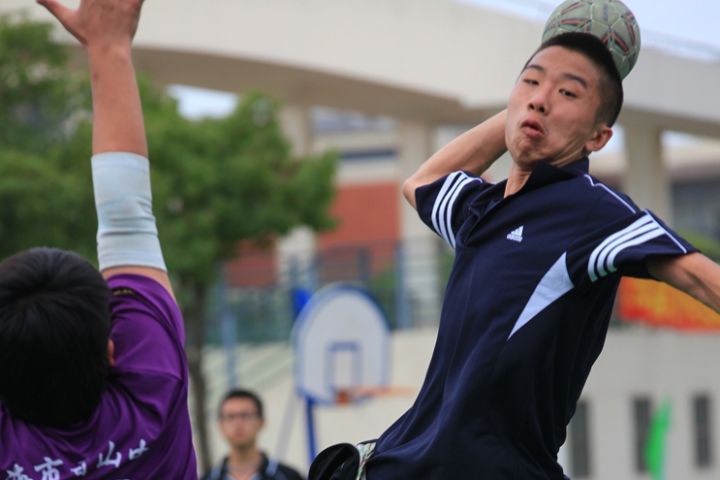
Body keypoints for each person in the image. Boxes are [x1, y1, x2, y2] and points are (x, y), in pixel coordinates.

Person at [312, 32, 720, 479]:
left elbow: (701, 278)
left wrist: (529, 103)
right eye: (529, 82)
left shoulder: (593, 211)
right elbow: (422, 182)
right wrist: (524, 110)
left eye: (568, 93)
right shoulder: (481, 211)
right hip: (403, 464)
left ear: (599, 136)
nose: (540, 100)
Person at [0, 0, 197, 477]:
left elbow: (128, 220)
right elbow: (126, 221)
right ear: (113, 350)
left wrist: (108, 50)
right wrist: (109, 49)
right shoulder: (153, 385)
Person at [203, 389, 304, 480]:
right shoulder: (208, 478)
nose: (238, 423)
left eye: (245, 415)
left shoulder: (289, 476)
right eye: (230, 417)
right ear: (220, 425)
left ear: (261, 422)